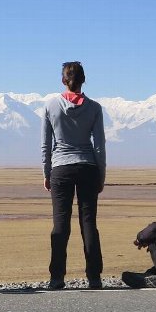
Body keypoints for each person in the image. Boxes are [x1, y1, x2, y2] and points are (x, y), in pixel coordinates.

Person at [41, 61, 106, 290]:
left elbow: (45, 145)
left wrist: (46, 172)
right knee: (88, 223)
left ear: (63, 80)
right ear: (84, 80)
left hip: (61, 169)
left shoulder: (50, 106)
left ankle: (56, 278)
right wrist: (101, 175)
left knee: (60, 224)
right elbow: (99, 145)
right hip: (88, 167)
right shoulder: (95, 108)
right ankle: (94, 277)